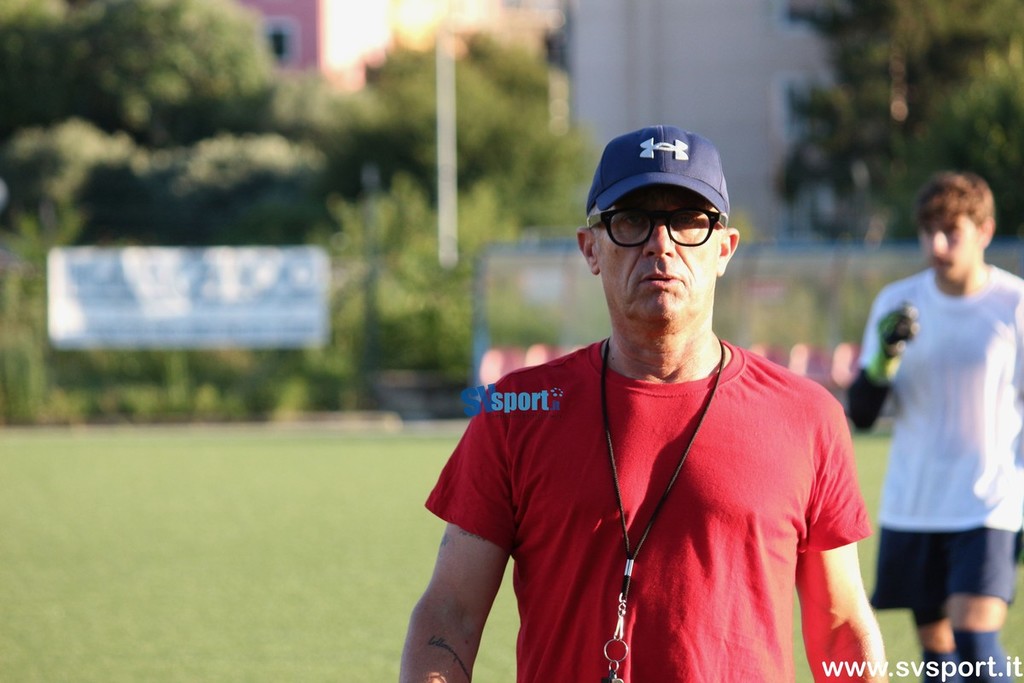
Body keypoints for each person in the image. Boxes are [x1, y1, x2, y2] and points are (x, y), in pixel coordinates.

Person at [400, 124, 885, 682]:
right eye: (631, 220)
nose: (662, 243)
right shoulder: (517, 411)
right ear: (591, 249)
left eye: (689, 220)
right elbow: (450, 613)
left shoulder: (807, 416)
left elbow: (840, 625)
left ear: (724, 249)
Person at [848, 171, 1024, 683]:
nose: (937, 245)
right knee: (940, 662)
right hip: (916, 504)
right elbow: (863, 413)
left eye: (952, 231)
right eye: (929, 231)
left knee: (976, 643)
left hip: (987, 504)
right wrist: (886, 354)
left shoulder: (1014, 304)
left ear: (984, 231)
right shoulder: (897, 303)